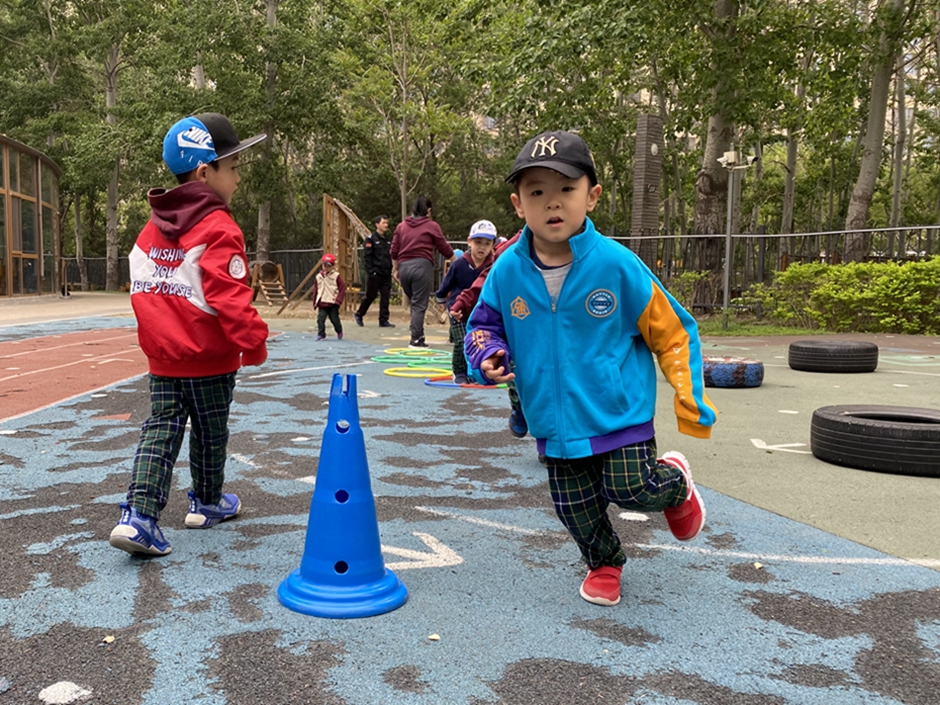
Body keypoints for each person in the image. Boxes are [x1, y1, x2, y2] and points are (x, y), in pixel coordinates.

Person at [465, 130, 718, 606]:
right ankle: (604, 561)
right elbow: (482, 326)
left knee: (631, 488)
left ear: (592, 196)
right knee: (574, 508)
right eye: (537, 192)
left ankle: (676, 483)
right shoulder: (506, 271)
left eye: (566, 188)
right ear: (518, 205)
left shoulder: (617, 265)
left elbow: (673, 332)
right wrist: (487, 354)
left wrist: (689, 397)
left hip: (618, 412)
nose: (552, 202)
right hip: (553, 421)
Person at [110, 112, 269, 557]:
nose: (238, 178)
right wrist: (253, 341)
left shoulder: (151, 227)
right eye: (233, 167)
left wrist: (160, 336)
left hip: (164, 358)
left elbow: (144, 286)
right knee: (211, 429)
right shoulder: (219, 227)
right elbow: (229, 295)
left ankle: (138, 516)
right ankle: (207, 500)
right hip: (209, 357)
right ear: (204, 172)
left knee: (160, 429)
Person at [452, 230, 527, 436]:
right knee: (519, 371)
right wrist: (486, 352)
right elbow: (486, 281)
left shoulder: (601, 259)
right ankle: (519, 405)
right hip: (522, 330)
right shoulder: (512, 253)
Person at [435, 220, 496, 384]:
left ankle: (475, 371)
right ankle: (459, 371)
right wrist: (441, 299)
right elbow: (446, 283)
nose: (482, 247)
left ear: (493, 246)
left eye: (487, 243)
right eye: (478, 242)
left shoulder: (494, 266)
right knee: (462, 340)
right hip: (458, 309)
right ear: (469, 241)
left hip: (480, 310)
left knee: (479, 340)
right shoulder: (459, 264)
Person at [391, 196, 455, 348]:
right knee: (419, 304)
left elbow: (394, 250)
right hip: (421, 265)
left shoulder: (401, 226)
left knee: (415, 303)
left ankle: (417, 334)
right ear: (429, 210)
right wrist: (456, 260)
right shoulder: (431, 226)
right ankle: (416, 338)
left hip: (404, 266)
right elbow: (443, 246)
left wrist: (396, 268)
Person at [354, 215, 395, 328]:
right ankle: (359, 314)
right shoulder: (371, 239)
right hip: (375, 273)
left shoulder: (387, 240)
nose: (386, 225)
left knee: (385, 297)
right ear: (377, 224)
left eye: (386, 223)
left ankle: (383, 320)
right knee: (371, 296)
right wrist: (371, 272)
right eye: (383, 223)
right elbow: (367, 257)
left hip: (386, 273)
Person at [311, 253, 346, 340]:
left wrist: (339, 300)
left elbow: (342, 288)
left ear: (333, 266)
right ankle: (321, 334)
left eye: (328, 266)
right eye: (324, 265)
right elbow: (316, 289)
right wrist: (315, 302)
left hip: (332, 302)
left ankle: (339, 330)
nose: (326, 268)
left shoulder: (336, 276)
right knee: (320, 319)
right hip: (322, 301)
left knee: (334, 319)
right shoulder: (319, 277)